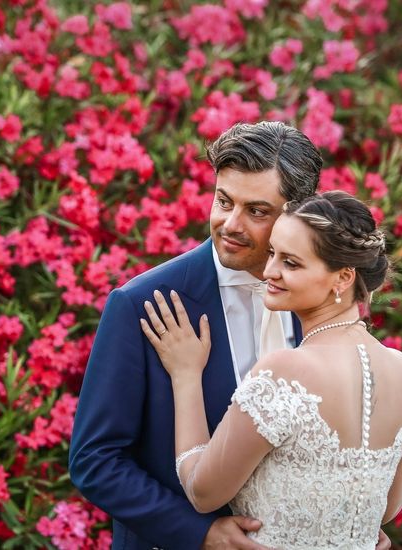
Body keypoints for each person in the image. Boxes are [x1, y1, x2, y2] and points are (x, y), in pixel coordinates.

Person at [70, 121, 328, 549]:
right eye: (224, 201)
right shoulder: (140, 303)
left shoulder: (319, 299)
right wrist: (199, 533)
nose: (231, 223)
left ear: (297, 213)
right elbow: (94, 461)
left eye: (257, 211)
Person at [139, 190, 402, 549]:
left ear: (343, 278)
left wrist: (185, 375)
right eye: (273, 253)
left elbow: (202, 491)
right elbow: (385, 508)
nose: (269, 270)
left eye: (291, 263)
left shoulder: (285, 371)